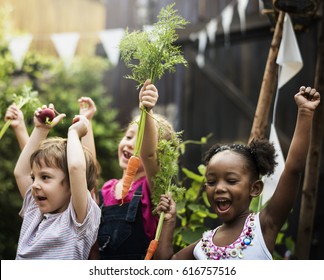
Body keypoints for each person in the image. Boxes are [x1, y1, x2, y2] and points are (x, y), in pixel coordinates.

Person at [154, 86, 321, 260]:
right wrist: (168, 222)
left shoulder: (264, 226)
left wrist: (305, 112)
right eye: (211, 182)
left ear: (255, 188)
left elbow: (293, 169)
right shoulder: (202, 247)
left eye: (231, 181)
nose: (219, 188)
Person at [95, 79, 174, 260]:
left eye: (139, 141)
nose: (130, 144)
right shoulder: (107, 188)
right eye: (129, 136)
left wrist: (147, 111)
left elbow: (149, 155)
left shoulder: (151, 188)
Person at [13, 104, 101, 259]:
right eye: (34, 178)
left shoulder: (77, 220)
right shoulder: (34, 210)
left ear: (72, 185)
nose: (34, 184)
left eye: (45, 177)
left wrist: (73, 132)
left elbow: (75, 168)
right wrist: (40, 129)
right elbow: (20, 173)